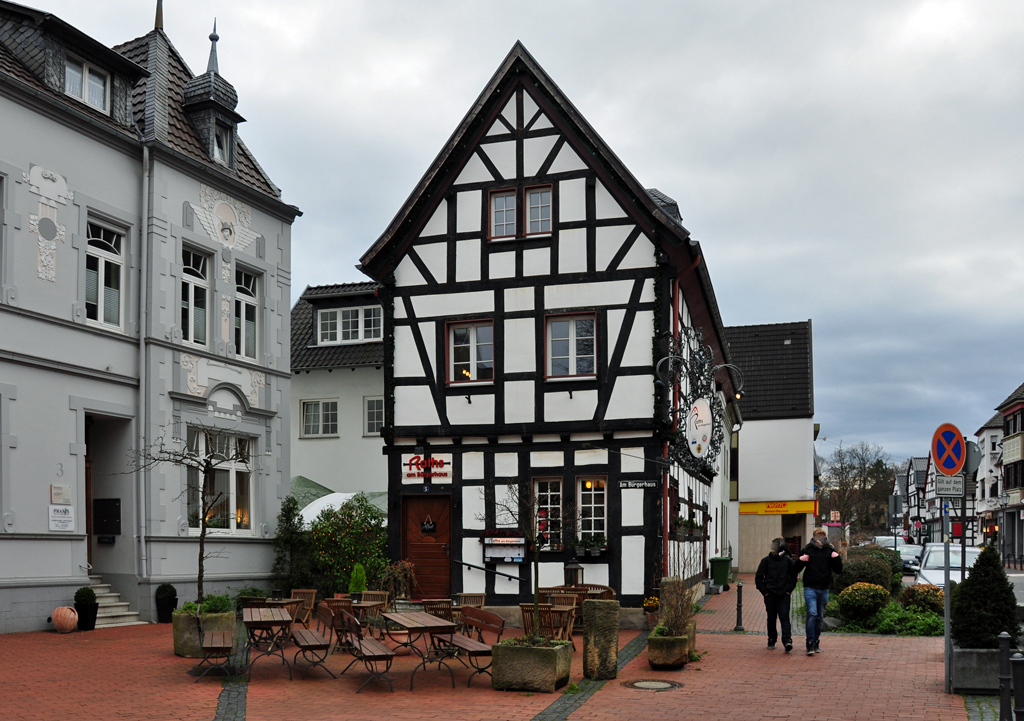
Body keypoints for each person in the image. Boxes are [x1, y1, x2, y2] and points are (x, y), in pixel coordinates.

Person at [794, 527, 843, 656]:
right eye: (817, 536)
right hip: (810, 587)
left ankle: (816, 641)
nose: (819, 539)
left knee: (820, 616)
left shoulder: (829, 551)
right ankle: (809, 642)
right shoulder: (808, 550)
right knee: (812, 613)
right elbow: (796, 568)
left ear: (825, 538)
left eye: (821, 536)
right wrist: (800, 560)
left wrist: (837, 558)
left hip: (824, 588)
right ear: (814, 537)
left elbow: (838, 570)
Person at [755, 537, 797, 652]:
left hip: (784, 594)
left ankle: (787, 640)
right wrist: (765, 592)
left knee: (784, 617)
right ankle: (772, 639)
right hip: (770, 594)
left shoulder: (788, 561)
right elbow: (759, 578)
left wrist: (788, 590)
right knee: (772, 618)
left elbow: (793, 577)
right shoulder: (766, 561)